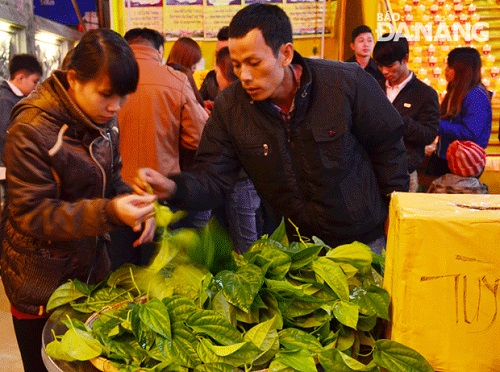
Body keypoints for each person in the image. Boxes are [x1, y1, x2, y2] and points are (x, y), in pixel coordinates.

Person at [133, 3, 409, 254]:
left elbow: (388, 146)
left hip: (365, 242)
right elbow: (213, 178)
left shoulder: (344, 83)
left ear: (286, 54)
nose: (245, 76)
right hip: (297, 249)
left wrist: (394, 219)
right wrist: (171, 187)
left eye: (254, 63)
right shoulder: (231, 107)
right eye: (237, 65)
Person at [0, 29, 156, 371]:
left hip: (87, 272)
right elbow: (33, 214)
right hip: (39, 280)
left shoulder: (103, 120)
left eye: (123, 97)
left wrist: (135, 203)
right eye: (106, 95)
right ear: (73, 79)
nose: (115, 107)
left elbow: (111, 179)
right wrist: (110, 211)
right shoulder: (31, 129)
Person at [112, 27, 208, 268]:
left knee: (120, 276)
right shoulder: (175, 80)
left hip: (114, 198)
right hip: (160, 192)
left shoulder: (109, 77)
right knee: (159, 274)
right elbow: (198, 138)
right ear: (160, 51)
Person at [373, 33, 440, 192]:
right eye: (380, 66)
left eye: (389, 66)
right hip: (372, 172)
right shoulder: (374, 88)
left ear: (406, 58)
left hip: (404, 174)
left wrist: (399, 121)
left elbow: (429, 134)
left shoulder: (425, 94)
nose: (384, 71)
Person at [212, 46, 263, 253]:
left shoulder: (236, 105)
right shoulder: (246, 100)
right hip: (250, 183)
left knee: (247, 250)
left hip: (242, 183)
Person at [426, 47, 492, 177]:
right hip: (446, 157)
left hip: (464, 163)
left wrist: (436, 124)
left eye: (449, 66)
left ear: (461, 69)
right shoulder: (455, 90)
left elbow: (471, 132)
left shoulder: (477, 96)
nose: (445, 71)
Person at [0, 54, 43, 165]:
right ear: (20, 77)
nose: (36, 86)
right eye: (35, 81)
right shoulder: (5, 100)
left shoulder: (17, 98)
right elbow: (8, 136)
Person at [166, 37, 205, 107]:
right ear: (185, 60)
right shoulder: (182, 83)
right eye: (193, 63)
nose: (195, 68)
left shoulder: (166, 77)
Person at [200, 26, 229, 104]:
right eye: (217, 54)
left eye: (224, 54)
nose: (218, 59)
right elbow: (199, 101)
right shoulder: (210, 78)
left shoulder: (245, 83)